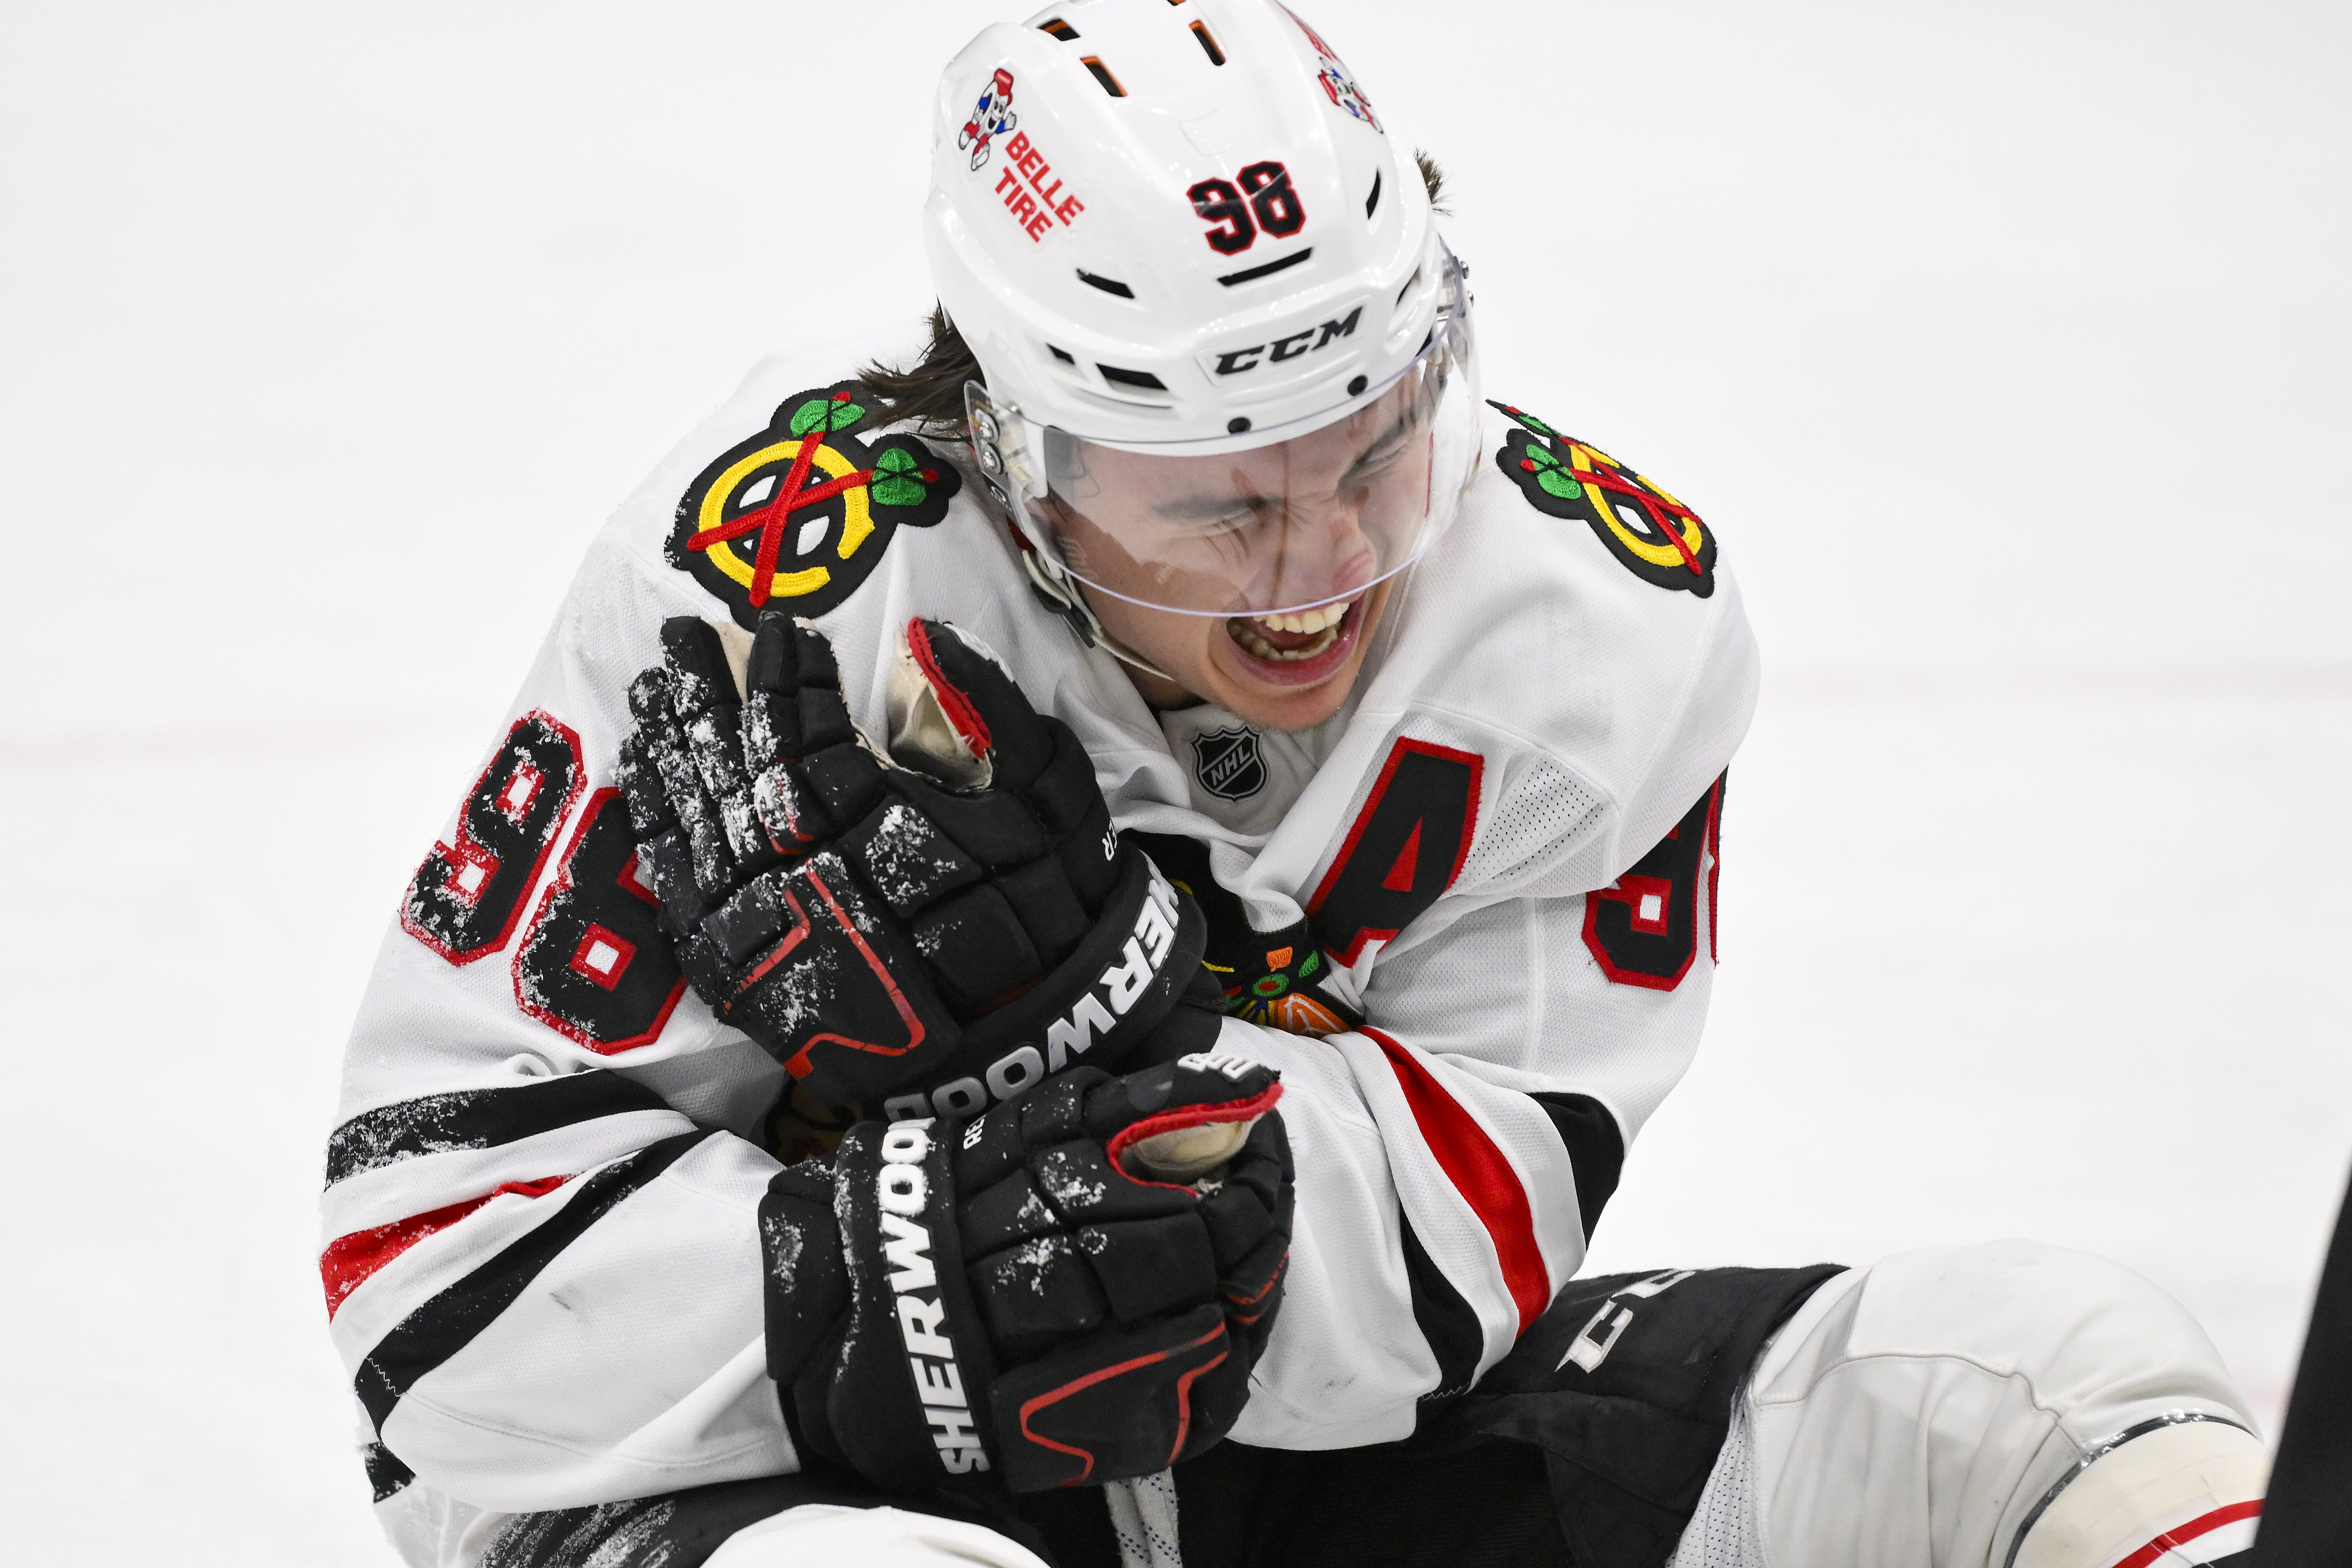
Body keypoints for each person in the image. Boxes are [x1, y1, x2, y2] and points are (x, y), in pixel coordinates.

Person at [322, 4, 2269, 1565]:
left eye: (1371, 454)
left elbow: (1428, 1293)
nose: (1317, 574)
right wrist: (911, 1276)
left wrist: (1089, 1024)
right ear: (1014, 441)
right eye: (1215, 507)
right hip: (745, 1477)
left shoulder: (1589, 631)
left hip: (1259, 1465)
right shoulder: (783, 598)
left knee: (2050, 1390)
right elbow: (446, 1313)